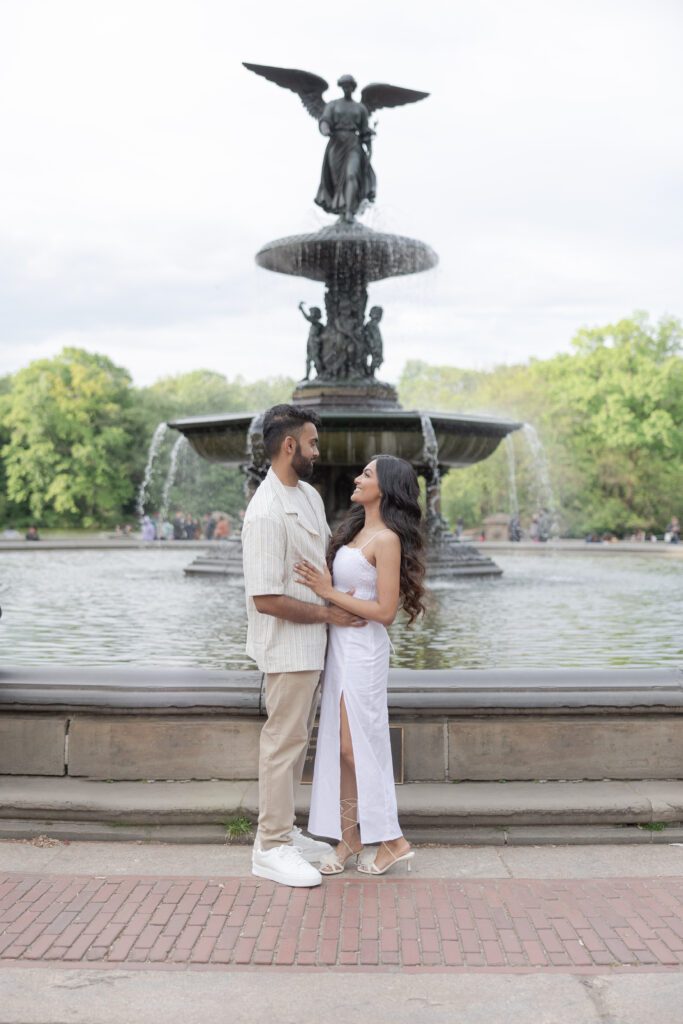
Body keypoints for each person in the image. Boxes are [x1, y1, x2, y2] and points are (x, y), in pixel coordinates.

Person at [242, 404, 367, 888]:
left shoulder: (308, 495)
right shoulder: (267, 512)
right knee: (284, 743)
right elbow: (266, 597)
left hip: (313, 644)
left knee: (296, 744)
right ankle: (270, 846)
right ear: (289, 445)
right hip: (289, 648)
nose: (319, 451)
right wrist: (328, 613)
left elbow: (317, 566)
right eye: (312, 443)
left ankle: (285, 833)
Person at [295, 454, 426, 876]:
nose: (356, 477)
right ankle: (350, 836)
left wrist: (327, 593)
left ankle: (393, 839)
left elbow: (384, 610)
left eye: (366, 474)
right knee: (339, 747)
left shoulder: (386, 539)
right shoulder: (355, 531)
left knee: (357, 746)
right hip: (340, 648)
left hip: (364, 651)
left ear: (385, 487)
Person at [315, 74, 376, 222]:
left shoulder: (360, 108)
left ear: (353, 87)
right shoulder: (333, 105)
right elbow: (325, 120)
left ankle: (349, 210)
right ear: (341, 87)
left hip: (353, 144)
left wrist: (368, 142)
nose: (347, 88)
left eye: (349, 85)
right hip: (336, 143)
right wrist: (325, 129)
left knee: (351, 175)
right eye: (344, 85)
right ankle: (341, 209)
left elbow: (364, 130)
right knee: (337, 181)